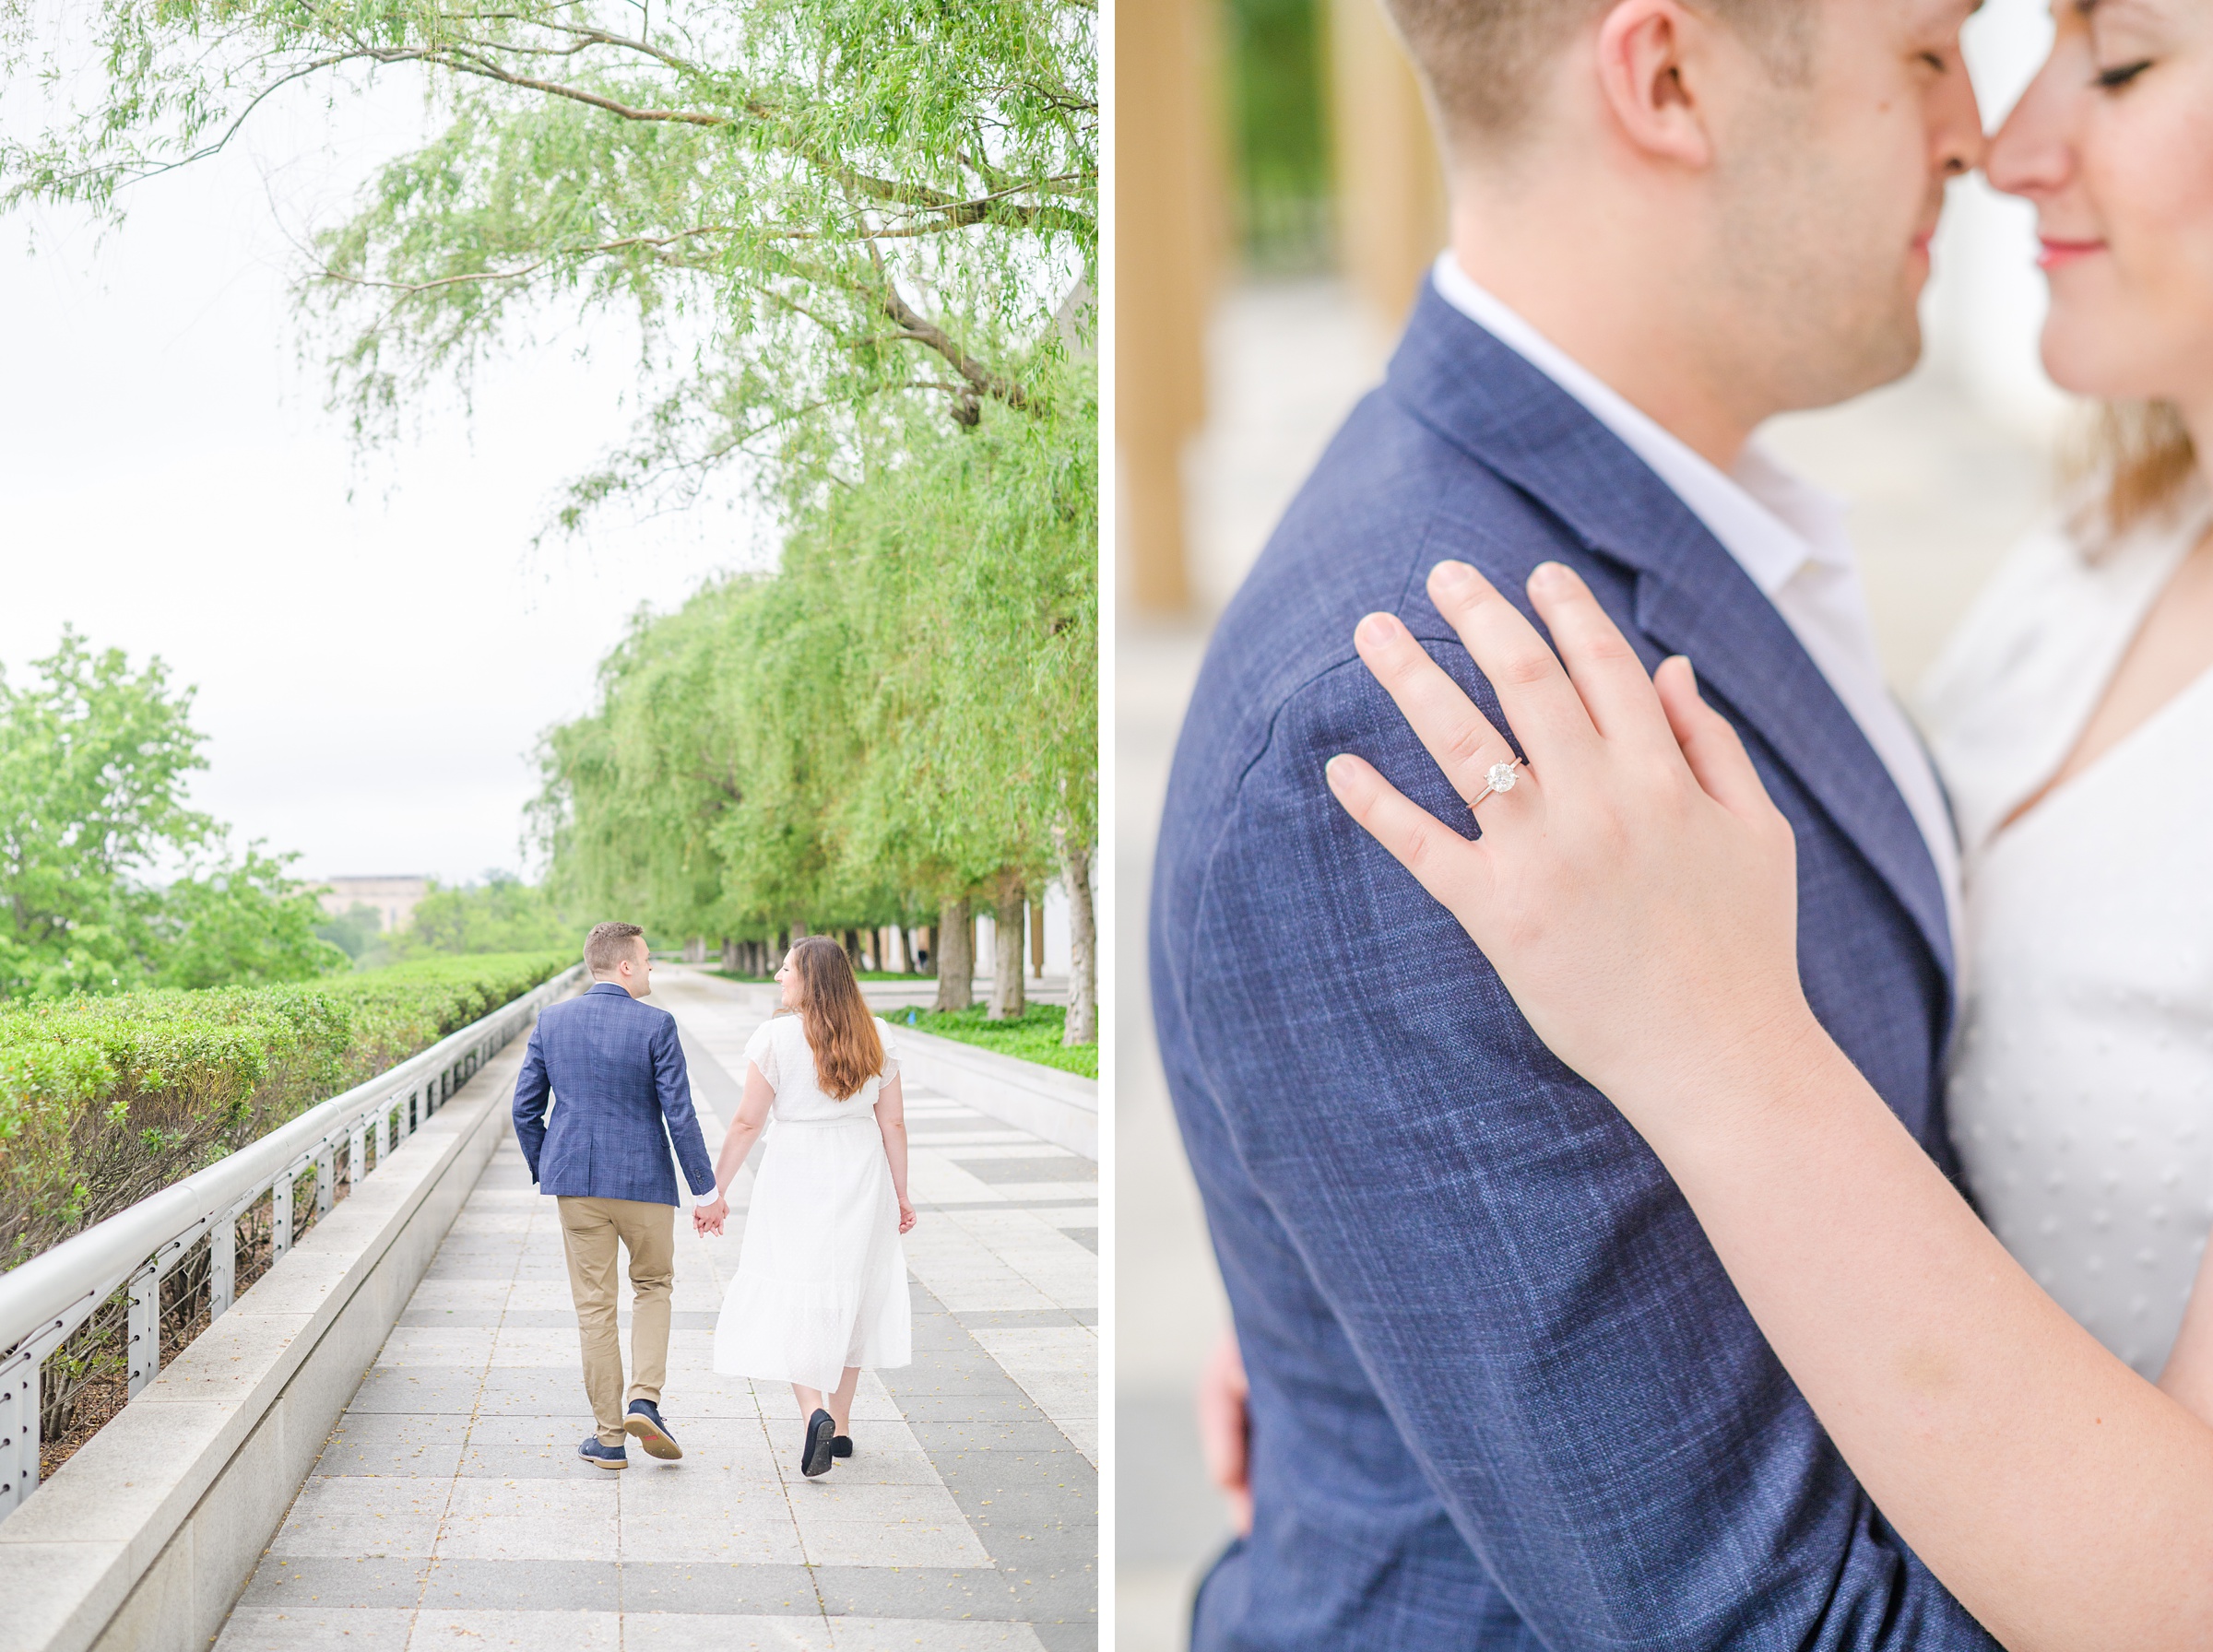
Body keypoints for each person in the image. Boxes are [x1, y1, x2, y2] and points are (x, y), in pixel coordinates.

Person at [1154, 0, 1991, 1643]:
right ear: (1666, 78)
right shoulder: (1416, 715)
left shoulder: (1676, 516)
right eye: (1927, 53)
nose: (1975, 128)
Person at [693, 936, 917, 1477]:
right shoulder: (876, 1034)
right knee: (854, 1289)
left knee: (798, 1287)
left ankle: (812, 1411)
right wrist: (903, 1195)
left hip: (796, 1168)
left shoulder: (775, 1038)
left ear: (809, 978)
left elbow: (746, 1122)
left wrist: (714, 1193)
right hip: (861, 1167)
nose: (777, 976)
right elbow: (893, 1123)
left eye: (786, 969)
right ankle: (839, 1430)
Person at [512, 920, 718, 1470]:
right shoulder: (657, 1025)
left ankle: (608, 1439)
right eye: (647, 959)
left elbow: (523, 1109)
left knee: (594, 1309)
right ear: (625, 966)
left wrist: (547, 1167)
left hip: (576, 1186)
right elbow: (680, 1113)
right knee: (653, 1286)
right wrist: (706, 1189)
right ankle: (644, 1401)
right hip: (645, 1185)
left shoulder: (552, 1021)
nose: (653, 967)